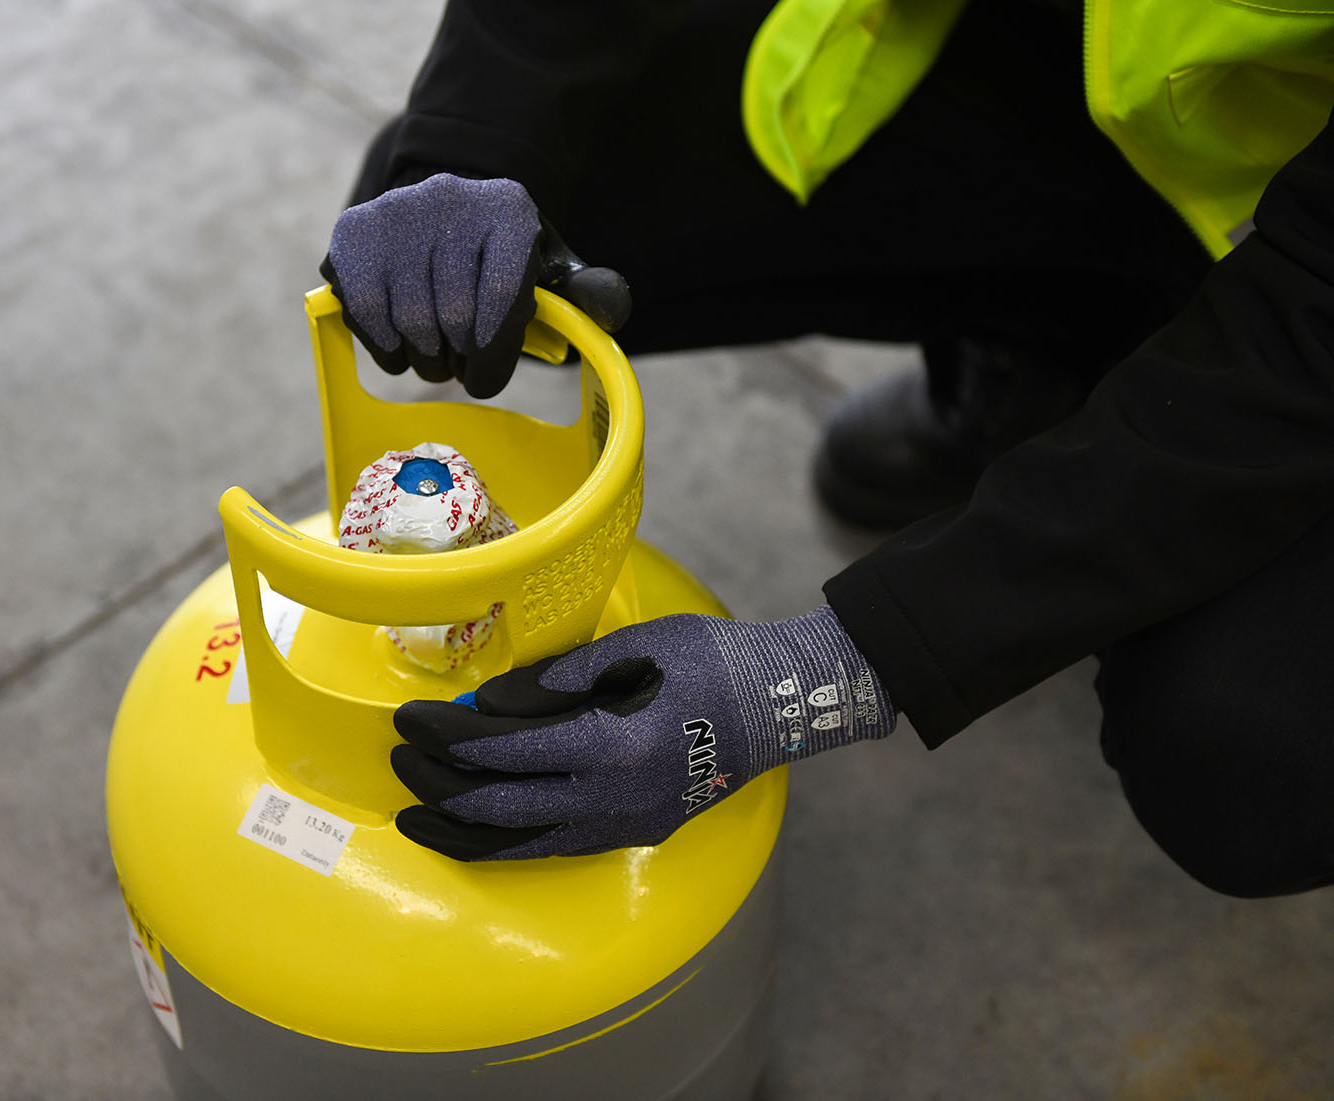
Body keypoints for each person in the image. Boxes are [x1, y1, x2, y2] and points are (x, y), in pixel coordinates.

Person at [320, 0, 1334, 897]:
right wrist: (473, 148)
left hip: (1290, 237)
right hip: (1054, 80)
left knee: (1248, 759)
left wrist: (842, 668)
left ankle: (1115, 373)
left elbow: (1308, 341)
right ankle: (1050, 341)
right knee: (463, 258)